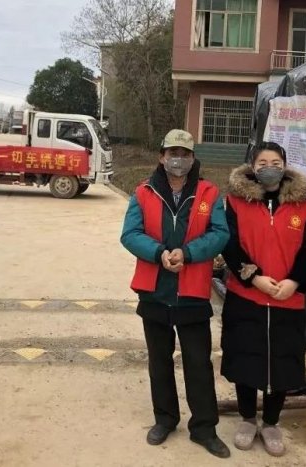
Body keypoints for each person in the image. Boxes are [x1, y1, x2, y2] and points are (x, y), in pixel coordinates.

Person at [120, 129, 231, 458]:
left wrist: (188, 253)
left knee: (198, 363)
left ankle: (204, 428)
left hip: (192, 291)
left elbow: (220, 233)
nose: (178, 159)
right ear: (162, 156)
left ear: (193, 158)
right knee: (159, 361)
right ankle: (165, 419)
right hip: (154, 290)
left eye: (185, 154)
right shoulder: (143, 192)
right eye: (173, 153)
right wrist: (159, 253)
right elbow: (130, 234)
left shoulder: (210, 193)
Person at [221, 141, 306, 457]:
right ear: (252, 167)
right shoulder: (236, 201)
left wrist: (294, 282)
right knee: (245, 357)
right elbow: (229, 244)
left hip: (287, 299)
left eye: (275, 162)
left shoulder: (301, 206)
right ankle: (248, 419)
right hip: (247, 296)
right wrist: (254, 277)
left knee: (282, 363)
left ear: (285, 166)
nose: (269, 168)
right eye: (262, 163)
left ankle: (272, 423)